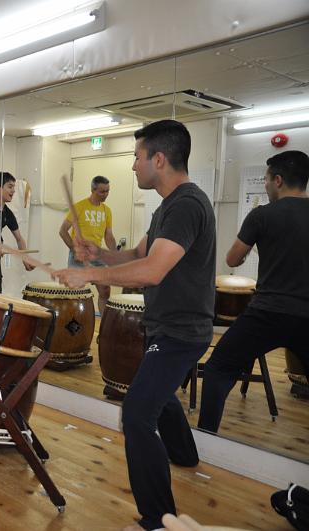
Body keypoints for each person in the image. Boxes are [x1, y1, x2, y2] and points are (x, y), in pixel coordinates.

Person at [52, 120, 215, 531]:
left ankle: (157, 520)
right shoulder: (167, 207)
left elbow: (152, 271)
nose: (132, 166)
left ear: (159, 159)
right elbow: (137, 256)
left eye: (137, 156)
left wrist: (87, 277)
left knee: (138, 413)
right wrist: (99, 255)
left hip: (182, 331)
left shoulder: (186, 205)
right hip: (167, 327)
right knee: (156, 389)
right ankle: (184, 454)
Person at [198, 150, 309, 433]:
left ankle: (208, 436)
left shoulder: (262, 215)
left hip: (268, 313)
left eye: (267, 180)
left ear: (279, 180)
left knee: (217, 369)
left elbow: (233, 259)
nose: (266, 185)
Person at [58, 175, 116, 314]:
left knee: (105, 290)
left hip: (97, 257)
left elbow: (108, 235)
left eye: (107, 191)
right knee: (77, 294)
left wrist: (115, 255)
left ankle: (103, 325)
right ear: (93, 190)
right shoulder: (79, 207)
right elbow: (63, 231)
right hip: (78, 258)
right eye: (102, 191)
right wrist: (74, 249)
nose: (105, 194)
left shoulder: (107, 211)